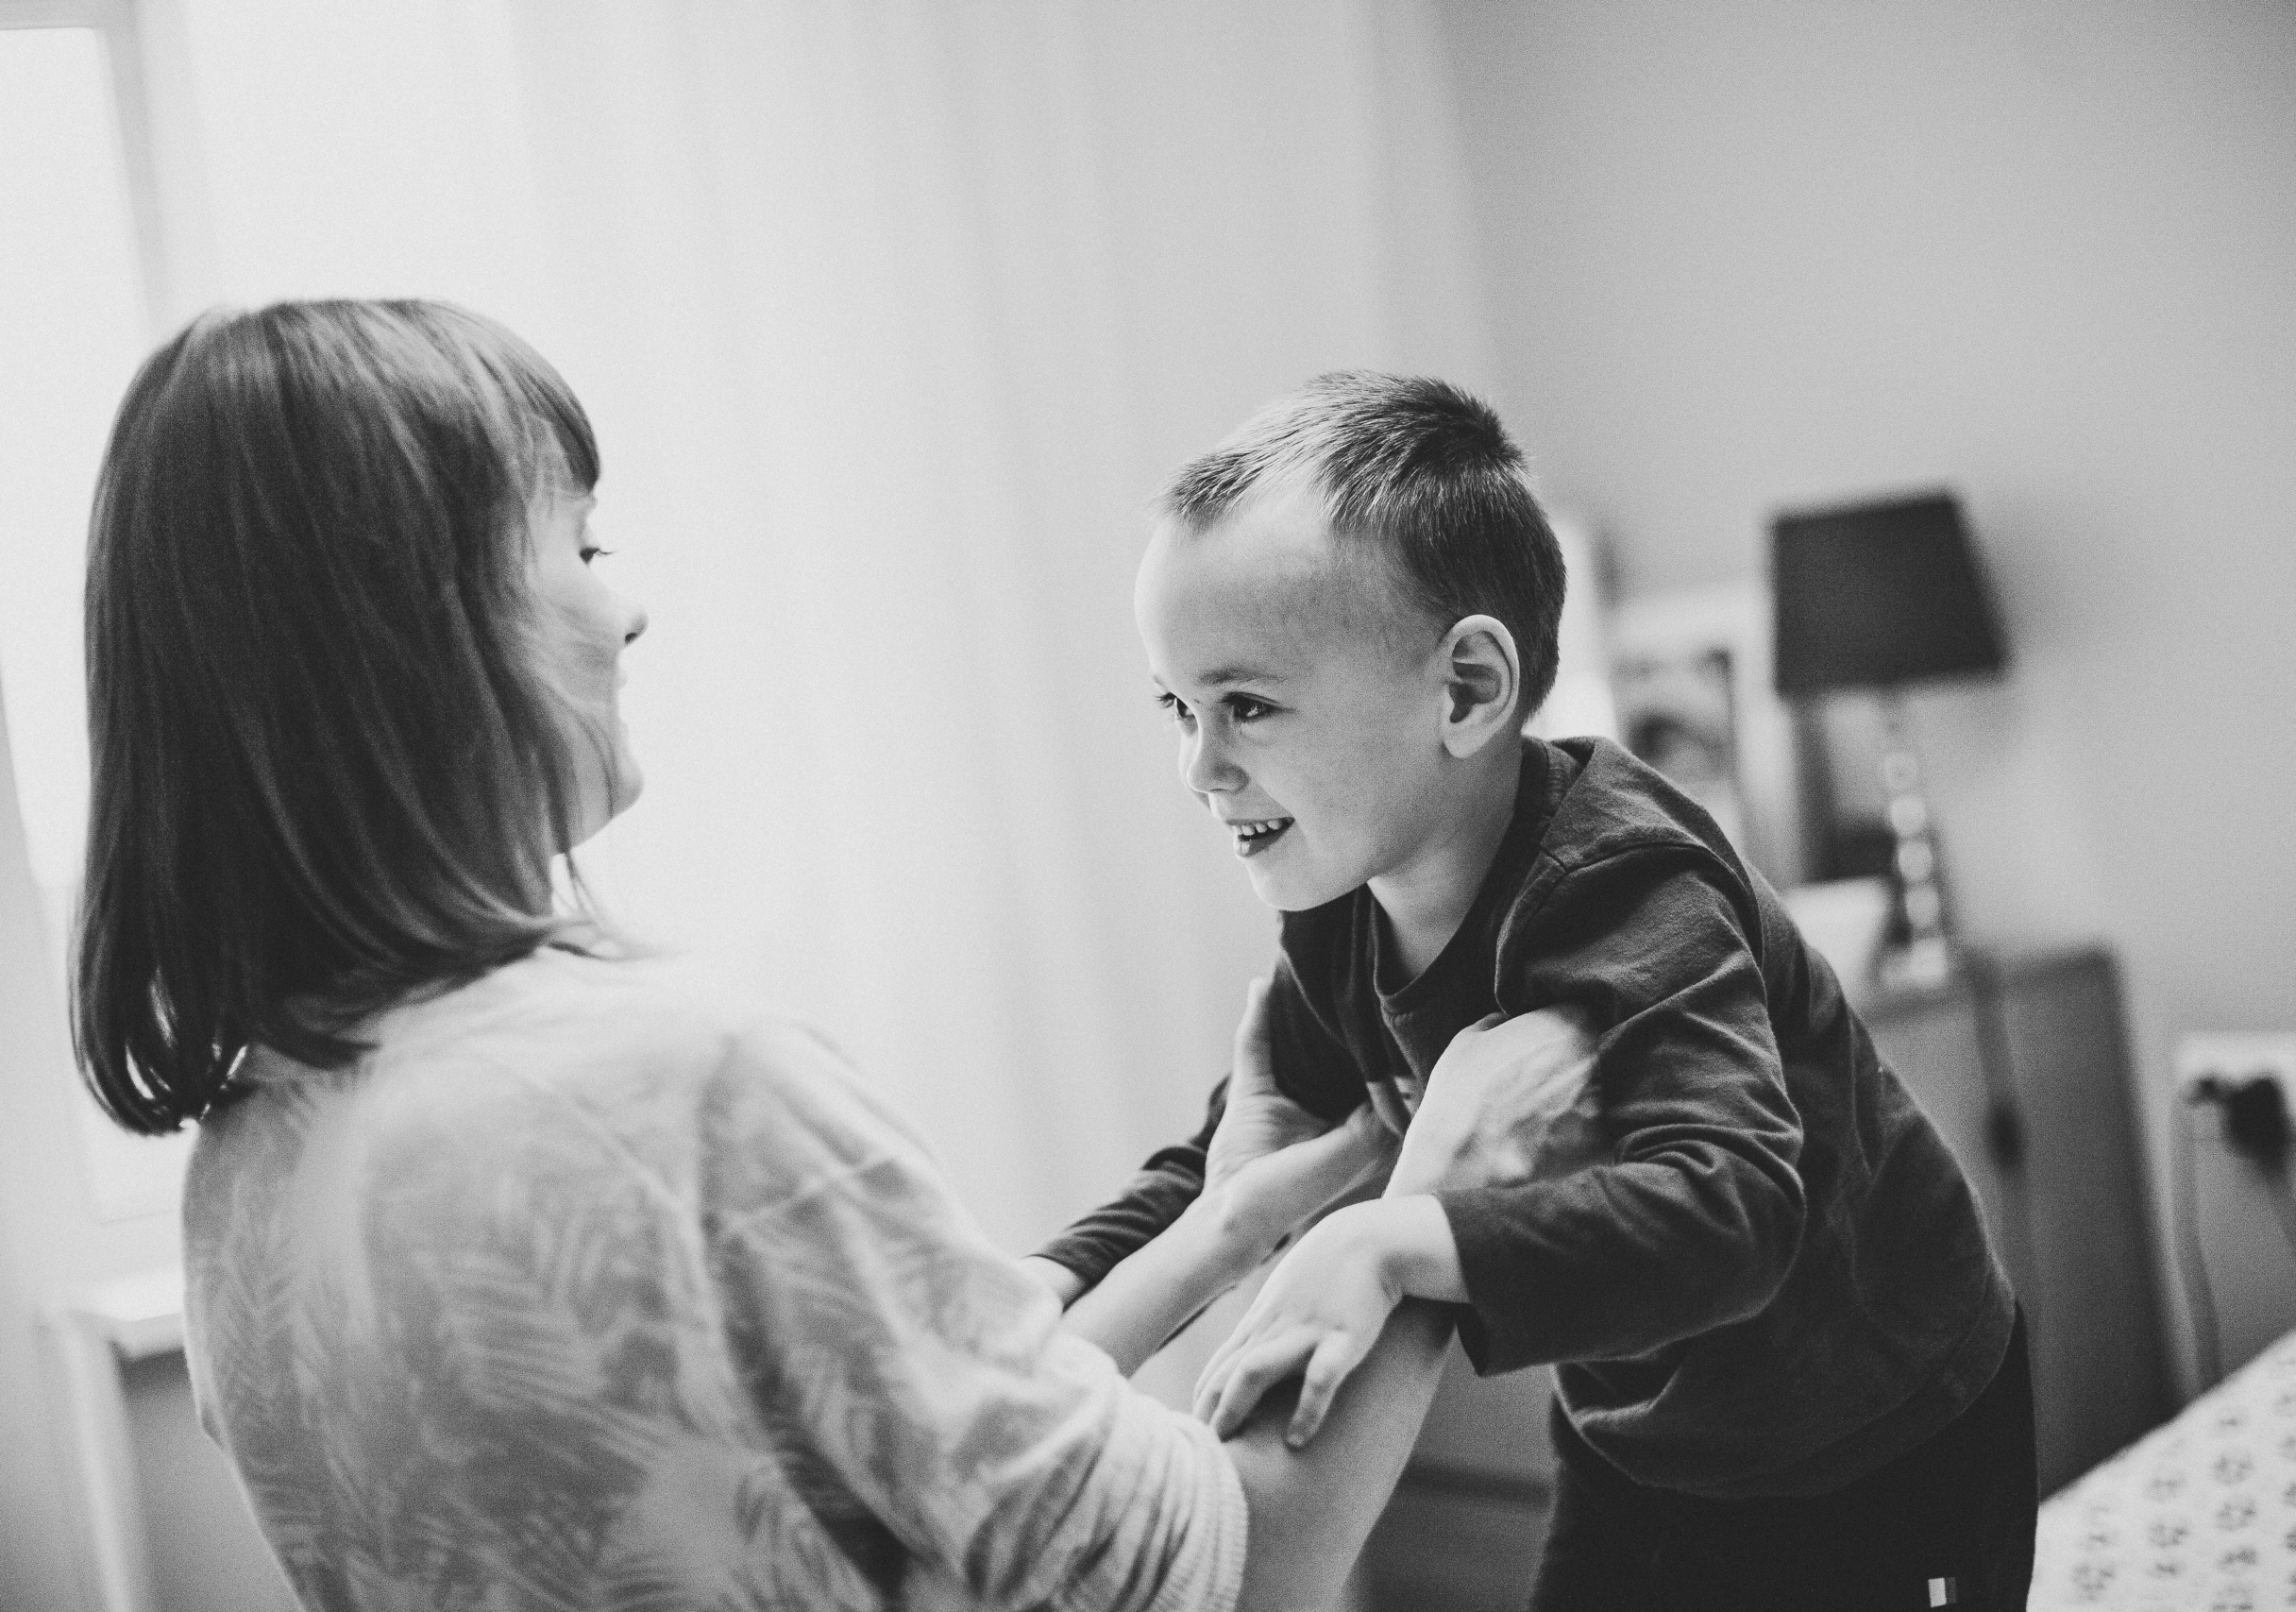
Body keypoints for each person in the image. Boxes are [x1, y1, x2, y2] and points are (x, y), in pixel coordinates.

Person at [70, 301, 1513, 1612]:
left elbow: (901, 1465)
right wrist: (1446, 1192)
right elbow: (1230, 1573)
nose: (628, 607)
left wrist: (1230, 1226)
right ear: (423, 630)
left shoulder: (247, 1178)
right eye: (580, 547)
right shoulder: (677, 1089)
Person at [1026, 372, 2039, 1610]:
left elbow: (1734, 1209)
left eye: (1246, 706)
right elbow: (1244, 1148)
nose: (1199, 765)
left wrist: (1387, 1241)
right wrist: (1039, 1291)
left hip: (1877, 1426)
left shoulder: (1627, 888)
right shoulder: (1342, 907)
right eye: (1178, 708)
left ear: (1466, 689)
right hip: (1643, 1434)